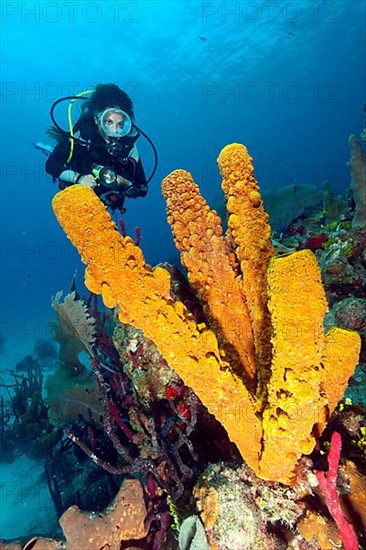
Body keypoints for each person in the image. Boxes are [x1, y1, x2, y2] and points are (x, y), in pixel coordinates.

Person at [46, 84, 149, 211]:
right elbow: (51, 165)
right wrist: (78, 178)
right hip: (79, 192)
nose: (114, 131)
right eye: (108, 122)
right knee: (55, 154)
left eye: (120, 124)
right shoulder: (80, 136)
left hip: (106, 200)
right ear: (96, 119)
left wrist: (124, 183)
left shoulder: (128, 146)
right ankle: (48, 149)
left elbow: (143, 189)